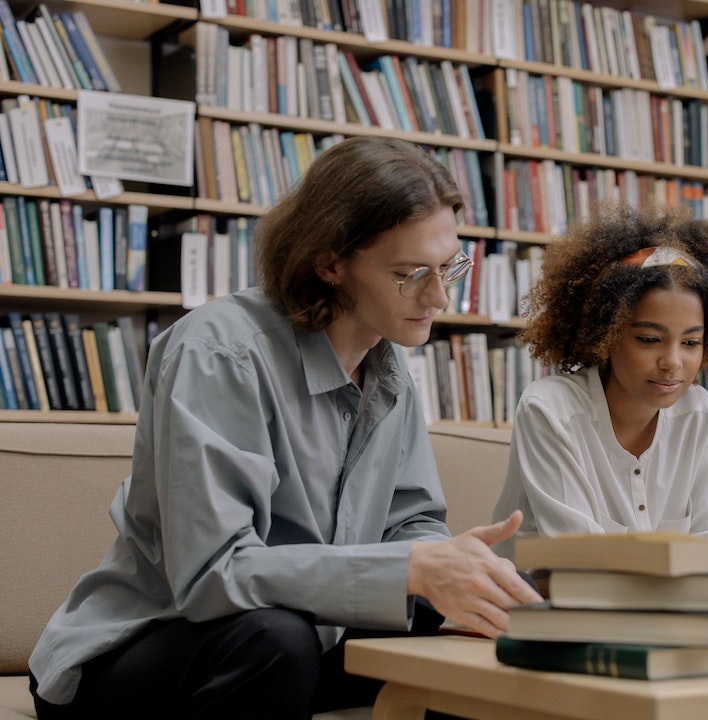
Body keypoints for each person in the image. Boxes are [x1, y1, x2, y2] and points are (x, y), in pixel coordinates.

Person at [28, 136, 542, 719]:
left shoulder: (387, 365)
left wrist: (450, 564)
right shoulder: (220, 353)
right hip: (148, 646)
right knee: (277, 640)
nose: (439, 295)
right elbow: (212, 574)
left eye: (450, 265)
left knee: (490, 613)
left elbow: (410, 519)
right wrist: (410, 569)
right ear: (329, 263)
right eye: (410, 273)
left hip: (308, 633)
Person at [492, 205, 708, 591]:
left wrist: (707, 563)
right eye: (649, 340)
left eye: (691, 342)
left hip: (664, 621)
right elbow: (578, 571)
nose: (673, 362)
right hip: (536, 624)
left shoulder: (702, 414)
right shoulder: (550, 410)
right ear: (607, 334)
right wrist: (696, 563)